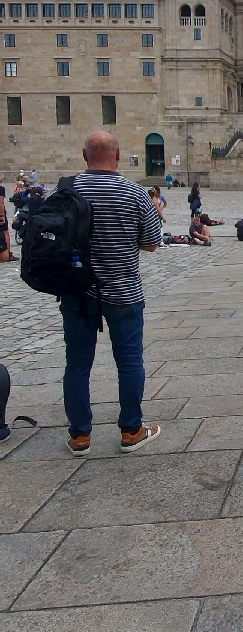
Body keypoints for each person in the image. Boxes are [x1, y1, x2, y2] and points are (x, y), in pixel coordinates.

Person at [58, 130, 162, 454]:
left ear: (84, 155)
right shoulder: (133, 193)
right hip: (123, 291)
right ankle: (131, 430)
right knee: (129, 361)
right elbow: (151, 242)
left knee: (76, 363)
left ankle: (80, 436)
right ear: (118, 156)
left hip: (77, 291)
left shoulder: (66, 190)